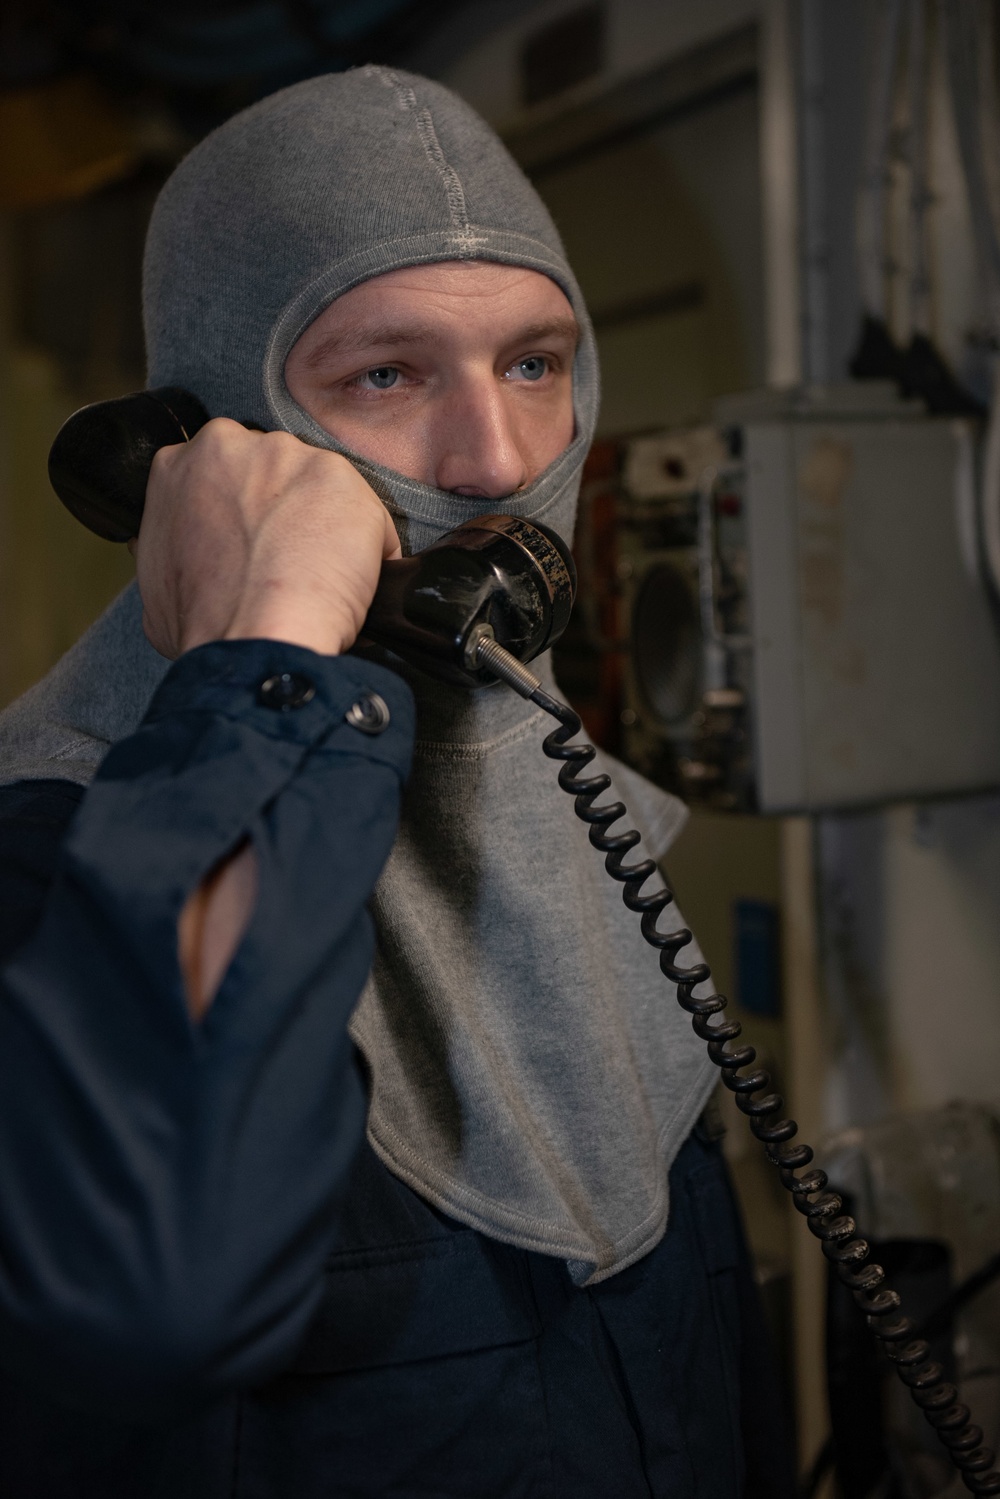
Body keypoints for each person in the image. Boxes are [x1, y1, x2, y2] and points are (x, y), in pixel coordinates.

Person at [0, 68, 795, 1498]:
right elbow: (157, 1291)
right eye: (387, 374)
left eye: (536, 365)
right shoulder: (51, 838)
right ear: (207, 445)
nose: (495, 462)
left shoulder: (571, 812)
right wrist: (260, 665)